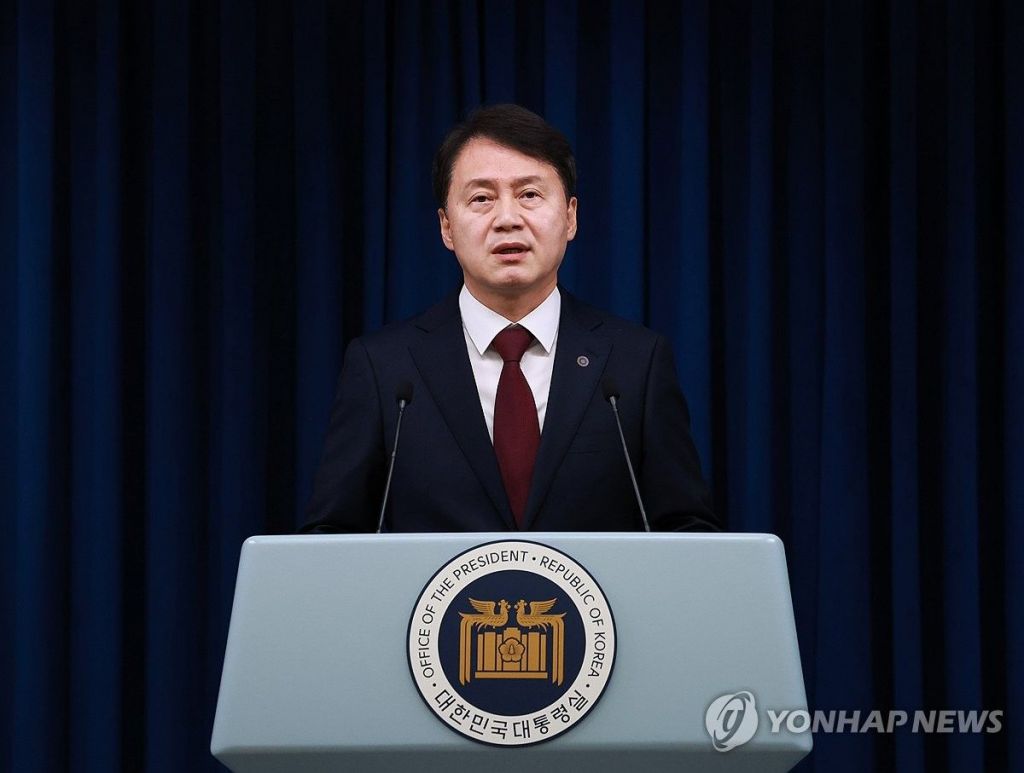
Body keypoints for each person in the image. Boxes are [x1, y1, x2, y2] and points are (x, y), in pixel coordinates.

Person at [302, 104, 718, 533]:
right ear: (446, 227)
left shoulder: (635, 364)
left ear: (570, 217)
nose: (507, 219)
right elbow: (329, 540)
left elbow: (687, 533)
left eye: (529, 195)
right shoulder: (384, 370)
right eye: (481, 198)